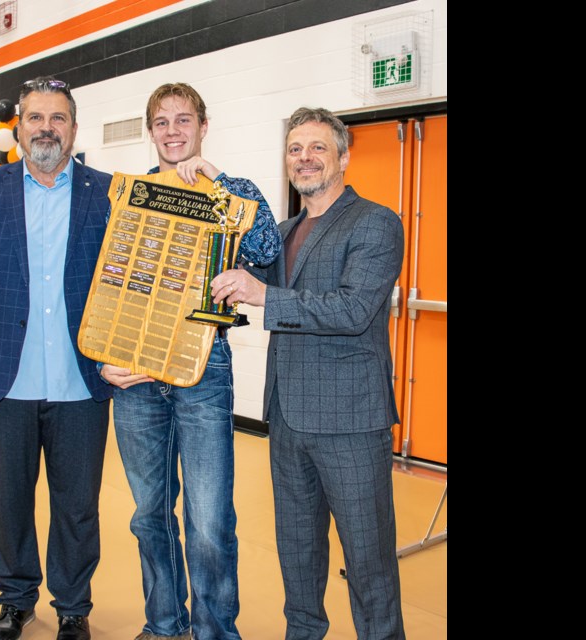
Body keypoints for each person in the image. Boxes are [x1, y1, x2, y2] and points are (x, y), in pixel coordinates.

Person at [210, 107, 407, 640]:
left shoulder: (375, 222)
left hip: (350, 421)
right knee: (297, 552)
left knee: (368, 561)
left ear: (343, 157)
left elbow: (352, 310)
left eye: (318, 147)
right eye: (296, 149)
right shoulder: (282, 230)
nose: (305, 158)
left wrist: (264, 295)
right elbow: (239, 265)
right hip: (289, 418)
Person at [0, 76, 112, 640]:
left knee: (77, 506)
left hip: (82, 379)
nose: (46, 129)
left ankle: (74, 607)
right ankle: (15, 599)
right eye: (36, 118)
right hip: (3, 378)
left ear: (74, 129)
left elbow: (133, 280)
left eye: (58, 119)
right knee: (10, 499)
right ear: (18, 127)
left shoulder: (107, 192)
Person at [100, 83, 282, 640]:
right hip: (134, 375)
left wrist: (218, 183)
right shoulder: (128, 196)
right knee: (148, 515)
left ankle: (214, 632)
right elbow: (104, 282)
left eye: (184, 120)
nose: (173, 131)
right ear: (150, 131)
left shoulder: (233, 191)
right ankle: (163, 624)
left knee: (208, 522)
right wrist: (104, 360)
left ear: (203, 126)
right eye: (161, 122)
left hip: (205, 370)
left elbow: (267, 253)